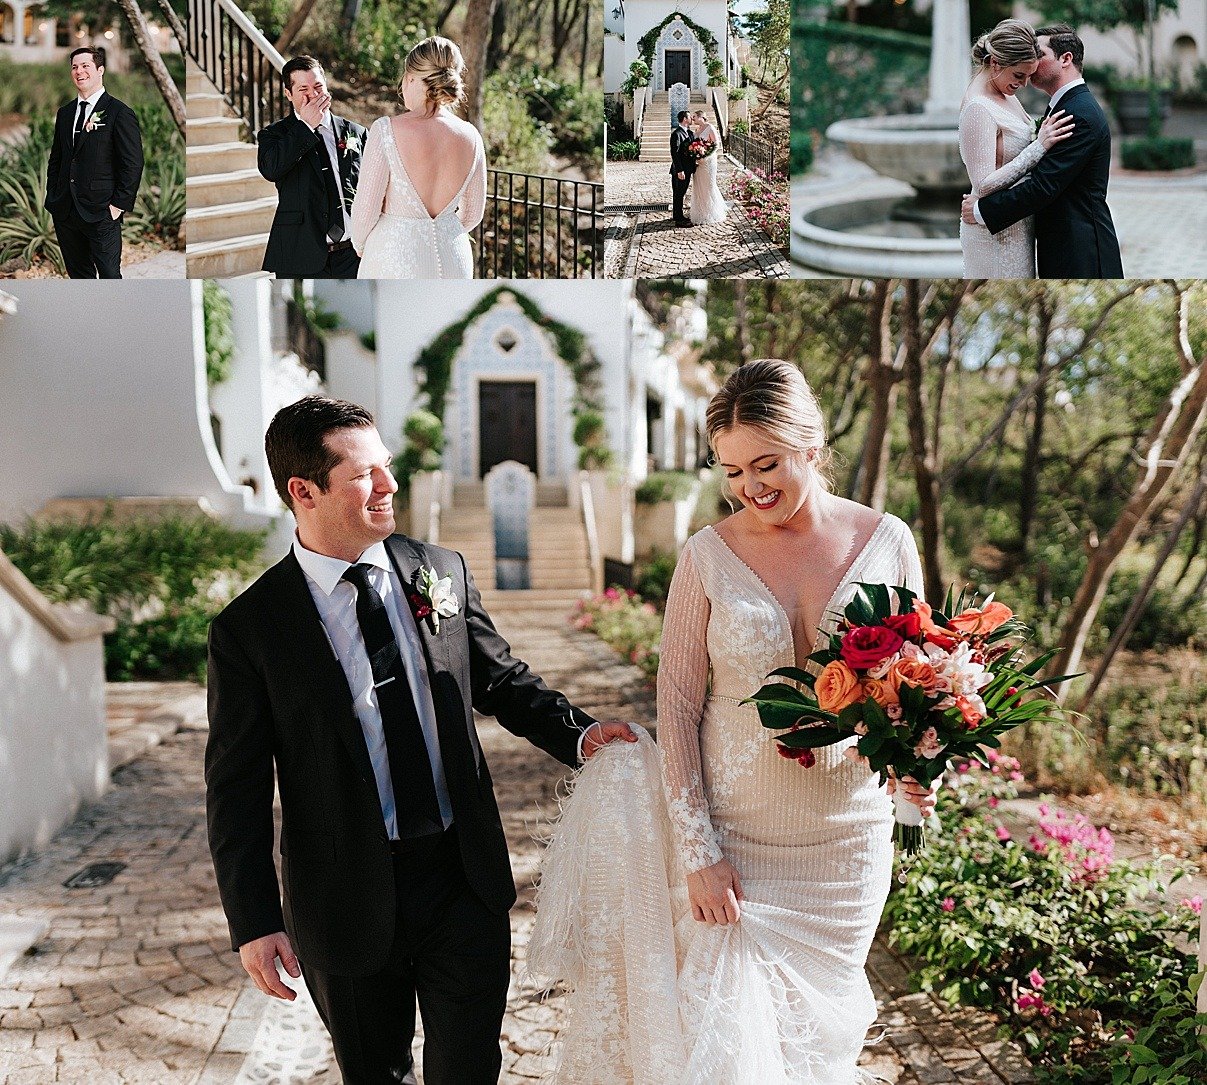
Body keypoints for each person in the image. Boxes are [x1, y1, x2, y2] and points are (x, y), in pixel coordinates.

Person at [204, 395, 635, 1085]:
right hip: (343, 896)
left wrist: (580, 734)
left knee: (467, 1069)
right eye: (364, 474)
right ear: (303, 490)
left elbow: (500, 680)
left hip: (461, 878)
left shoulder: (439, 568)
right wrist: (253, 919)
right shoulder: (250, 628)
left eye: (388, 467)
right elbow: (236, 787)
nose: (389, 485)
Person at [533, 361, 939, 1083]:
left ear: (810, 447)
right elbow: (679, 702)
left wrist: (915, 770)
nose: (749, 486)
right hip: (735, 846)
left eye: (765, 463)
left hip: (846, 844)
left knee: (813, 1051)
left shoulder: (888, 541)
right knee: (732, 1054)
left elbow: (912, 680)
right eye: (730, 470)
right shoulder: (706, 555)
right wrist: (697, 850)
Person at [962, 24, 1123, 278]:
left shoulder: (1078, 113)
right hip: (1054, 244)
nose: (1032, 63)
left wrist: (982, 210)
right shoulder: (1064, 105)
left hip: (1080, 251)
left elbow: (1043, 185)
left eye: (1040, 54)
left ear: (1065, 59)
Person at [350, 37, 486, 278]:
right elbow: (473, 214)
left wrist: (361, 246)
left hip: (394, 256)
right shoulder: (471, 136)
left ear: (411, 78)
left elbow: (365, 211)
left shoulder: (386, 130)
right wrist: (442, 230)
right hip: (454, 256)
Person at [958, 20, 1074, 278]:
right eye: (1018, 75)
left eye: (1028, 76)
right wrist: (1039, 147)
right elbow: (983, 185)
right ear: (996, 64)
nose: (1023, 84)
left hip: (1016, 224)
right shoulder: (978, 108)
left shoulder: (1005, 93)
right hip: (995, 235)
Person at [258, 57, 367, 278]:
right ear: (289, 94)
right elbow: (270, 170)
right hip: (300, 255)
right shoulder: (274, 135)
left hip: (353, 255)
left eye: (318, 87)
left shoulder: (356, 132)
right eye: (303, 89)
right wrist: (306, 126)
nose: (314, 95)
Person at [44, 47, 143, 279]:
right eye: (75, 67)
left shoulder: (119, 112)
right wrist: (53, 195)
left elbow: (133, 163)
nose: (79, 71)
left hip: (102, 211)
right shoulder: (65, 112)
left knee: (109, 276)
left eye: (85, 65)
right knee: (79, 276)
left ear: (100, 70)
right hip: (66, 211)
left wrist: (118, 206)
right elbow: (57, 159)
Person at [686, 110, 727, 227]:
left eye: (694, 117)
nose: (692, 119)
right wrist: (696, 155)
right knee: (699, 185)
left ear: (701, 117)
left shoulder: (710, 127)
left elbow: (716, 145)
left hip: (708, 161)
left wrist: (705, 155)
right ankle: (700, 212)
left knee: (708, 185)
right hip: (698, 162)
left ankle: (711, 211)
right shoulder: (696, 131)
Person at [669, 110, 696, 227]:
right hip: (680, 170)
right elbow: (674, 153)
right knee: (679, 194)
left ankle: (677, 215)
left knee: (682, 193)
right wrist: (679, 170)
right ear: (685, 119)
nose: (691, 119)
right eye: (690, 117)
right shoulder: (676, 134)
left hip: (688, 169)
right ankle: (679, 219)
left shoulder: (690, 133)